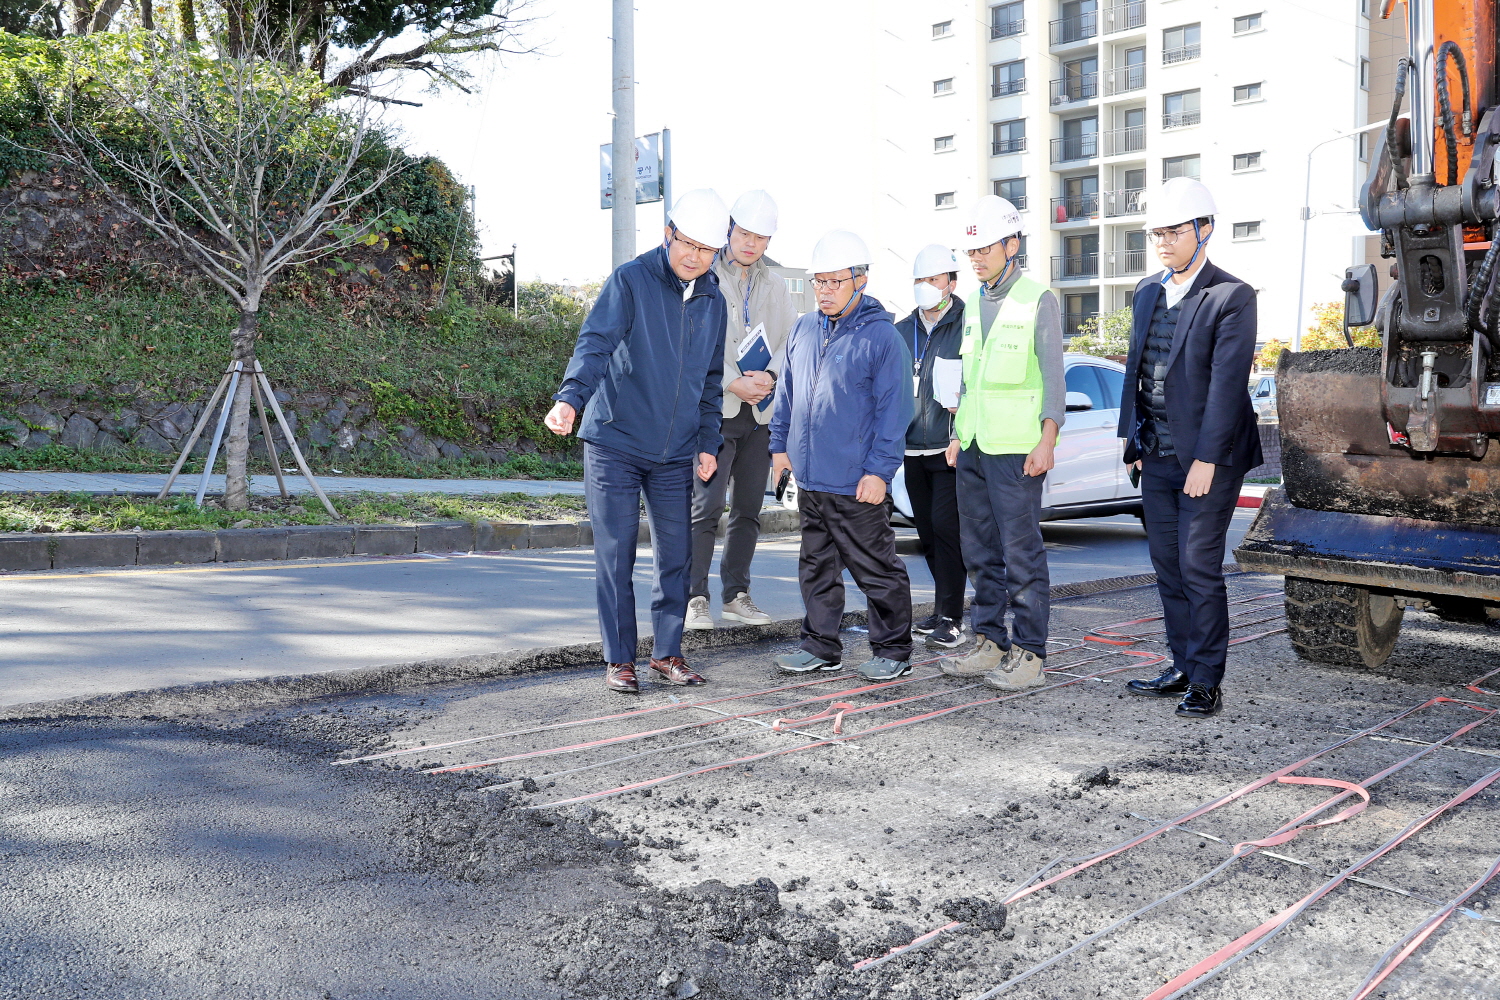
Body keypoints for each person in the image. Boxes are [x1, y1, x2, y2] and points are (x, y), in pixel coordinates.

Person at [544, 189, 730, 694]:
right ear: (668, 234)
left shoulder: (714, 300)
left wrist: (708, 442)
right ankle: (619, 659)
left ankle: (667, 653)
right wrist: (570, 399)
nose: (693, 256)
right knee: (617, 553)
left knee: (676, 555)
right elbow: (595, 343)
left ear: (718, 253)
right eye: (686, 243)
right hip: (615, 442)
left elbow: (710, 380)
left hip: (675, 452)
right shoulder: (631, 279)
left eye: (705, 249)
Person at [1117, 177, 1261, 719]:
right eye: (1157, 233)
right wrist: (1132, 440)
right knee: (1166, 566)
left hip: (1209, 457)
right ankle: (1181, 666)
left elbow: (1227, 387)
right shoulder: (1147, 290)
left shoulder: (1231, 296)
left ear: (1205, 231)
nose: (1164, 242)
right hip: (1155, 453)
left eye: (1175, 231)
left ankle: (1206, 679)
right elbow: (1138, 368)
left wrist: (1205, 459)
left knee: (1198, 565)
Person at [768, 230, 914, 682]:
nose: (825, 291)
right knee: (816, 568)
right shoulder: (804, 328)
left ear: (861, 281)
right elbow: (787, 395)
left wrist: (879, 472)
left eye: (835, 282)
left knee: (876, 569)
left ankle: (893, 650)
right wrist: (779, 450)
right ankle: (820, 646)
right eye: (819, 282)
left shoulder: (882, 337)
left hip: (856, 482)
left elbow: (896, 412)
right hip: (810, 478)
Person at [939, 196, 1065, 691]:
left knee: (1021, 553)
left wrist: (1047, 440)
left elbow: (1054, 379)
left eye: (985, 249)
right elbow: (969, 380)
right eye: (970, 253)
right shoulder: (972, 303)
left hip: (1018, 448)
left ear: (1012, 245)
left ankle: (1030, 651)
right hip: (973, 444)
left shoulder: (1039, 299)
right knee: (979, 550)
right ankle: (990, 640)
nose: (976, 259)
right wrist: (956, 436)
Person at [686, 190, 797, 632]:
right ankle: (694, 597)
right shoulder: (704, 274)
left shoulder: (774, 284)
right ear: (729, 229)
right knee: (705, 507)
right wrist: (733, 378)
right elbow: (693, 337)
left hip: (760, 414)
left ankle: (736, 595)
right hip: (715, 408)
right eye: (745, 233)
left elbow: (790, 338)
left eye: (762, 237)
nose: (751, 244)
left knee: (749, 509)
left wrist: (769, 377)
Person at [896, 244, 967, 649]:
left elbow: (972, 382)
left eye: (934, 280)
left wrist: (960, 433)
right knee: (926, 531)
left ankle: (953, 618)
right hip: (911, 449)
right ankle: (943, 610)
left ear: (951, 284)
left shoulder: (966, 324)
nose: (926, 287)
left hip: (949, 446)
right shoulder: (902, 330)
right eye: (920, 280)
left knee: (946, 528)